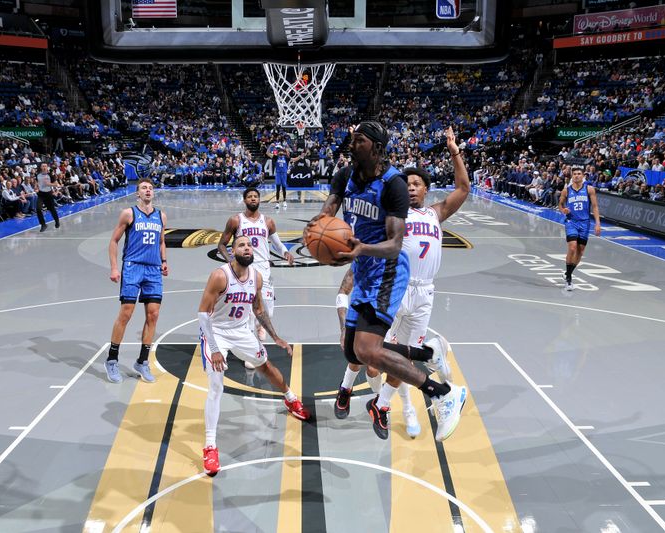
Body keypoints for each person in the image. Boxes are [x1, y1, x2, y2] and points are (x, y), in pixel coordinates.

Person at [306, 121, 466, 443]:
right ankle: (426, 354)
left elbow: (395, 244)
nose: (351, 145)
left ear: (377, 147)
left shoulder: (393, 185)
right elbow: (326, 215)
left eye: (359, 141)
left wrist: (360, 249)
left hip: (389, 271)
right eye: (352, 140)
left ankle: (442, 392)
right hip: (365, 270)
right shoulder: (344, 176)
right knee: (353, 351)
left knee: (369, 349)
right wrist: (316, 230)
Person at [198, 235, 310, 476]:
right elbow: (203, 314)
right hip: (216, 332)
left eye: (249, 245)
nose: (247, 248)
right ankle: (210, 446)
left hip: (240, 331)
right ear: (232, 251)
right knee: (216, 386)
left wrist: (276, 336)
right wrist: (215, 349)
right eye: (241, 245)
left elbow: (258, 309)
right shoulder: (220, 275)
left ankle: (290, 398)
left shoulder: (256, 277)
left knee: (266, 366)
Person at [105, 178, 168, 383]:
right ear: (137, 193)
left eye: (150, 188)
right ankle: (112, 360)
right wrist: (115, 267)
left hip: (153, 270)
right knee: (126, 313)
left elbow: (161, 241)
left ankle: (142, 361)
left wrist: (164, 261)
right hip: (133, 267)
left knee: (153, 315)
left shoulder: (161, 216)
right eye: (144, 188)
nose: (148, 190)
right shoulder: (129, 213)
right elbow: (114, 241)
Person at [217, 187, 293, 348]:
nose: (253, 199)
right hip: (245, 269)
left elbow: (278, 244)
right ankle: (254, 348)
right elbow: (222, 245)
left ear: (259, 200)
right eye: (250, 196)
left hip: (264, 269)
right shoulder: (235, 220)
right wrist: (231, 261)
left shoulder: (268, 221)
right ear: (244, 200)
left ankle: (259, 327)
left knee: (268, 312)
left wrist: (286, 253)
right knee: (250, 311)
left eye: (256, 196)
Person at [558, 166, 601, 291]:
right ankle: (569, 279)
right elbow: (560, 204)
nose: (577, 175)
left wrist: (597, 223)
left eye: (579, 173)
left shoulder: (589, 189)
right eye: (574, 174)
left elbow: (595, 207)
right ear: (572, 176)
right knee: (572, 247)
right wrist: (563, 210)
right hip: (571, 221)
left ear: (583, 176)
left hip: (585, 223)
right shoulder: (566, 190)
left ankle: (568, 273)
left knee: (580, 251)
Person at [36, 163, 61, 232]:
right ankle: (43, 224)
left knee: (51, 209)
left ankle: (57, 220)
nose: (44, 167)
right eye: (43, 166)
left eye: (45, 166)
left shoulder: (50, 175)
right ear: (41, 167)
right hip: (41, 194)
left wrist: (49, 184)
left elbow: (56, 184)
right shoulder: (38, 175)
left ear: (47, 167)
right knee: (38, 209)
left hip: (48, 194)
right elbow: (37, 183)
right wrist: (36, 187)